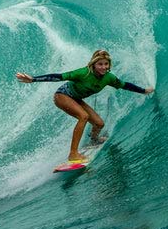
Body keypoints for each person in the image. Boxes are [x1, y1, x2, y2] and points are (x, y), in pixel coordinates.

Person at [16, 49, 154, 163]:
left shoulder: (109, 78)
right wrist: (33, 79)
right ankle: (73, 153)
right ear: (93, 64)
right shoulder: (83, 73)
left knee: (99, 124)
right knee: (83, 116)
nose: (104, 67)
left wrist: (143, 91)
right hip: (62, 95)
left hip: (76, 98)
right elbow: (58, 76)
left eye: (106, 64)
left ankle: (94, 140)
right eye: (100, 64)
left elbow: (124, 85)